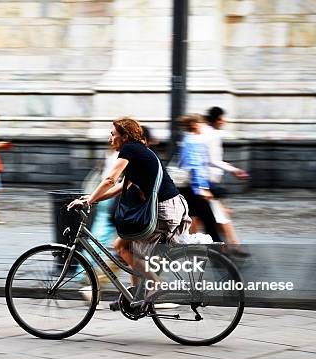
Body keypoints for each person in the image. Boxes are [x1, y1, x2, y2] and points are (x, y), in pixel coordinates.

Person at [69, 117, 191, 304]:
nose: (110, 139)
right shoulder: (138, 151)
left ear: (125, 136)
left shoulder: (130, 149)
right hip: (168, 206)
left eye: (113, 135)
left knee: (126, 247)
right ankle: (135, 296)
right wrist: (92, 198)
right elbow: (120, 186)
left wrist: (90, 200)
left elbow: (110, 179)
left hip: (164, 209)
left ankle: (157, 284)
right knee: (124, 246)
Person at [203, 107, 250, 249]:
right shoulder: (211, 135)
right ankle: (234, 247)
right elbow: (214, 160)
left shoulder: (207, 132)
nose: (224, 120)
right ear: (217, 119)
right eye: (222, 118)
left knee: (208, 216)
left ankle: (225, 247)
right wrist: (234, 170)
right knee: (219, 215)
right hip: (207, 182)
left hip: (205, 182)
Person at [178, 114, 223, 243]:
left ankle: (196, 252)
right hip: (195, 189)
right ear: (194, 125)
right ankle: (219, 254)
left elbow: (183, 163)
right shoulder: (194, 141)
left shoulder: (186, 139)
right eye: (201, 124)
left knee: (193, 219)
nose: (203, 127)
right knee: (209, 221)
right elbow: (195, 166)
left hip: (188, 188)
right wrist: (202, 188)